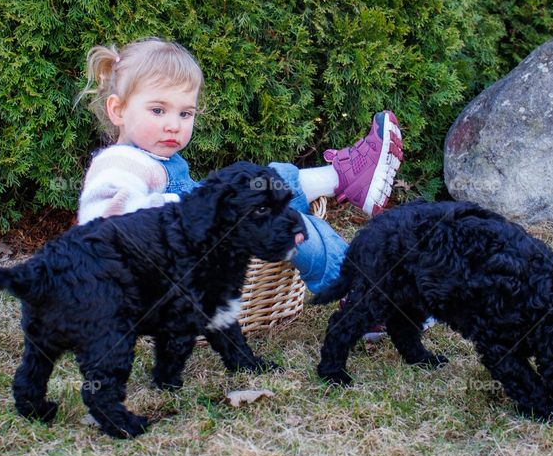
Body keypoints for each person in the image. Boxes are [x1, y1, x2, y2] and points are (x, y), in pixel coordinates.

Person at [74, 37, 403, 297]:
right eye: (158, 110)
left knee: (257, 186)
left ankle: (342, 178)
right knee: (290, 222)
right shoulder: (122, 162)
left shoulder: (150, 155)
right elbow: (102, 222)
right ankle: (365, 292)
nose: (174, 125)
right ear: (118, 110)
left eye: (185, 114)